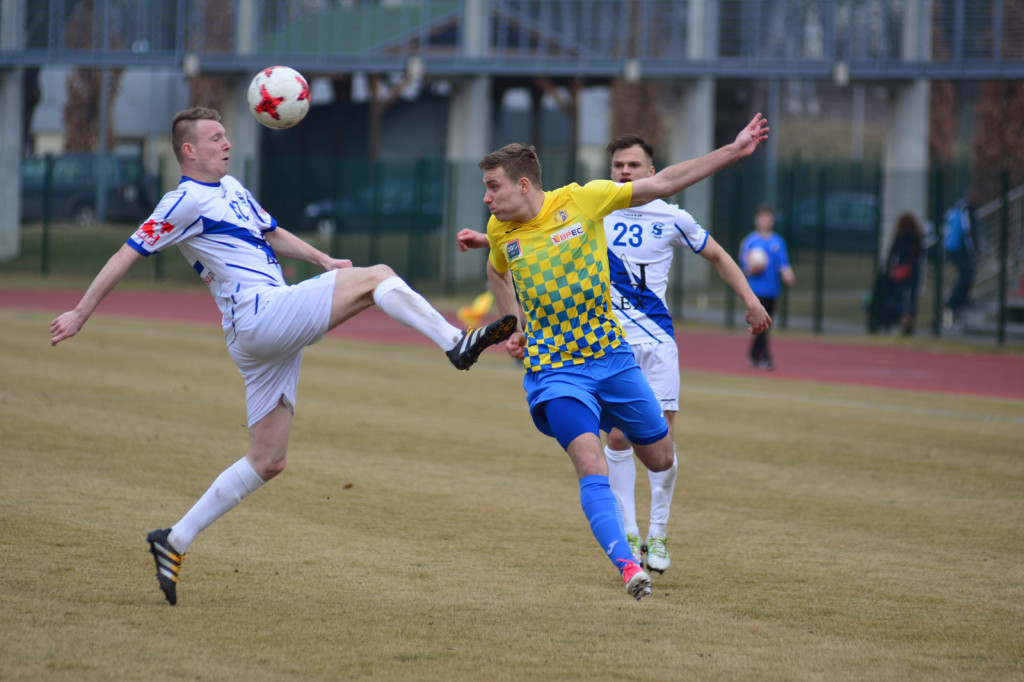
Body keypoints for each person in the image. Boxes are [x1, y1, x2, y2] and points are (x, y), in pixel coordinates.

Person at [49, 107, 517, 606]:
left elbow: (271, 233)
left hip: (260, 332)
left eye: (226, 134)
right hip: (260, 316)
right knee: (379, 275)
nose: (226, 142)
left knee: (268, 460)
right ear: (189, 150)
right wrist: (81, 312)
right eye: (215, 137)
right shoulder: (182, 200)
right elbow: (126, 253)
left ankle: (174, 539)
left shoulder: (231, 189)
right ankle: (455, 343)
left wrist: (322, 259)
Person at [468, 114, 771, 601]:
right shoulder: (499, 230)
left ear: (523, 185)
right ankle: (629, 564)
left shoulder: (583, 200)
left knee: (662, 455)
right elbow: (497, 272)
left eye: (492, 187)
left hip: (614, 361)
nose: (486, 199)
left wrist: (734, 150)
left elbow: (669, 180)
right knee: (591, 463)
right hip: (556, 372)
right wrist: (514, 325)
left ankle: (653, 526)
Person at [740, 205, 794, 370]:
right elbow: (744, 267)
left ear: (772, 221)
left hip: (773, 290)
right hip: (756, 291)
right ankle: (765, 358)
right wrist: (752, 268)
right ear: (757, 221)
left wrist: (788, 274)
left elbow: (783, 264)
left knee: (764, 326)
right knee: (763, 324)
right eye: (762, 218)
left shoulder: (777, 242)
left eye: (768, 218)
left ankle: (753, 353)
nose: (765, 221)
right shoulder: (750, 242)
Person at [885, 212, 924, 335]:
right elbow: (922, 254)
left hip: (902, 270)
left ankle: (904, 315)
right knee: (912, 298)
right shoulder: (918, 238)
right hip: (915, 269)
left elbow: (892, 255)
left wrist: (890, 269)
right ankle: (911, 319)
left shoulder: (900, 236)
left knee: (898, 297)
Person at [944, 193, 978, 318]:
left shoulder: (957, 209)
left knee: (966, 274)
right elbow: (967, 232)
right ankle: (954, 303)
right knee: (966, 274)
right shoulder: (966, 211)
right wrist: (974, 250)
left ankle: (958, 303)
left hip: (954, 249)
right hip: (960, 249)